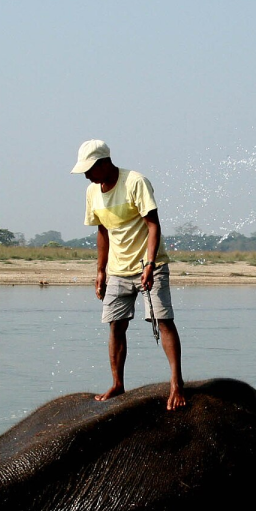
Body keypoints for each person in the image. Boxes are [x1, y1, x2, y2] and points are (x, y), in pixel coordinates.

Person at [71, 139, 186, 410]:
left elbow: (153, 225)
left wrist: (149, 264)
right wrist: (100, 271)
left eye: (89, 169)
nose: (86, 175)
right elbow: (101, 232)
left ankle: (176, 383)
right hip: (118, 270)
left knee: (163, 320)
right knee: (116, 325)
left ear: (104, 162)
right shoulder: (92, 192)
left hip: (150, 265)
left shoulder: (135, 181)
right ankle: (117, 383)